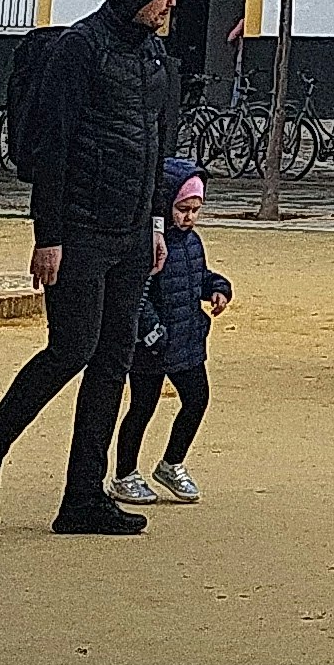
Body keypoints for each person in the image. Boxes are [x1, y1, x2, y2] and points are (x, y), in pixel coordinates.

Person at [0, 0, 188, 535]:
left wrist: (158, 222)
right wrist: (49, 236)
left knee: (114, 360)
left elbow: (159, 149)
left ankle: (82, 496)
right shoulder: (79, 50)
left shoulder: (156, 59)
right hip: (80, 228)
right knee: (71, 349)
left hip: (134, 231)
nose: (170, 4)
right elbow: (53, 148)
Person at [113, 159, 231, 504]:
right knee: (143, 405)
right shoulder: (149, 242)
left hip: (187, 335)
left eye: (195, 210)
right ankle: (124, 473)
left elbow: (198, 276)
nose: (189, 217)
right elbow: (138, 293)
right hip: (154, 341)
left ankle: (172, 462)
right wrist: (150, 330)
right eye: (183, 209)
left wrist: (218, 287)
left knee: (197, 398)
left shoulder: (192, 242)